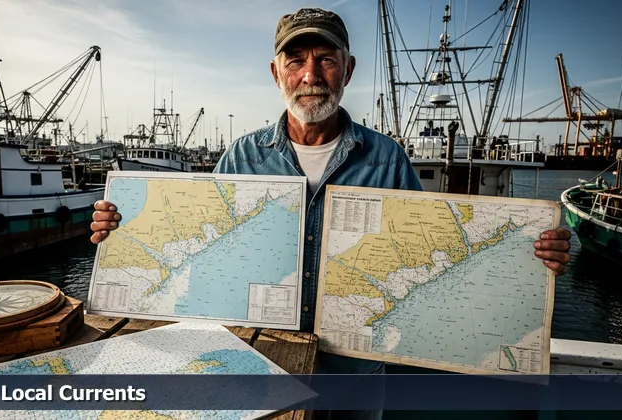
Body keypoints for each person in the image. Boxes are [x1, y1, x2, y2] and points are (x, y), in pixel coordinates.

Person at [90, 7, 572, 419]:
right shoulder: (240, 158)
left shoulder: (387, 160)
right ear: (276, 73)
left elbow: (442, 250)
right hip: (259, 365)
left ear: (349, 68)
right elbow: (199, 251)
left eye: (326, 60)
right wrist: (124, 225)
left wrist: (528, 253)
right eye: (295, 61)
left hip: (355, 379)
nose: (311, 75)